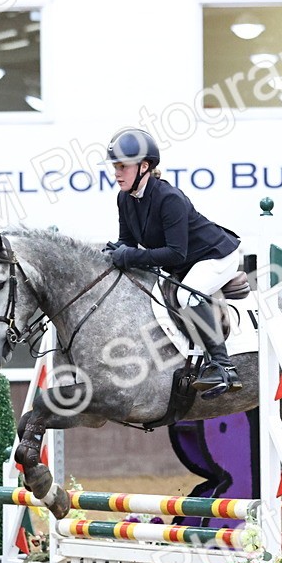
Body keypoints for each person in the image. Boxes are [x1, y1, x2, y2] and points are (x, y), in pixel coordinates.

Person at [102, 127, 243, 398]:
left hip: (215, 256)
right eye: (115, 166)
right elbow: (127, 242)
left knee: (186, 295)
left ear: (144, 166)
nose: (117, 173)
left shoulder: (169, 199)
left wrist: (129, 255)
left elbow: (176, 253)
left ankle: (223, 367)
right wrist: (112, 253)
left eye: (123, 166)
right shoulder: (124, 199)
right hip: (186, 262)